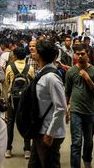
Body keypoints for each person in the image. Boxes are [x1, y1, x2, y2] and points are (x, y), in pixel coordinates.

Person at [28, 40, 67, 168]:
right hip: (41, 130)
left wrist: (50, 133)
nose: (32, 50)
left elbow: (61, 107)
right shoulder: (42, 73)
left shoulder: (51, 78)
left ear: (41, 55)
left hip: (49, 133)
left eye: (35, 50)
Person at [65, 44, 94, 168]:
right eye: (78, 54)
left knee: (89, 141)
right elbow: (67, 92)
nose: (80, 56)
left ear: (87, 54)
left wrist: (88, 79)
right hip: (76, 110)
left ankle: (87, 162)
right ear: (75, 55)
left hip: (90, 111)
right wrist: (66, 109)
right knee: (76, 142)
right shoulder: (71, 71)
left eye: (83, 54)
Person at [4, 47, 35, 159]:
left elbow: (7, 82)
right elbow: (32, 82)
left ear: (15, 56)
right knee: (26, 122)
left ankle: (8, 149)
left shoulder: (9, 67)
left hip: (12, 99)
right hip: (26, 100)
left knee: (10, 123)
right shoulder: (30, 68)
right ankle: (27, 150)